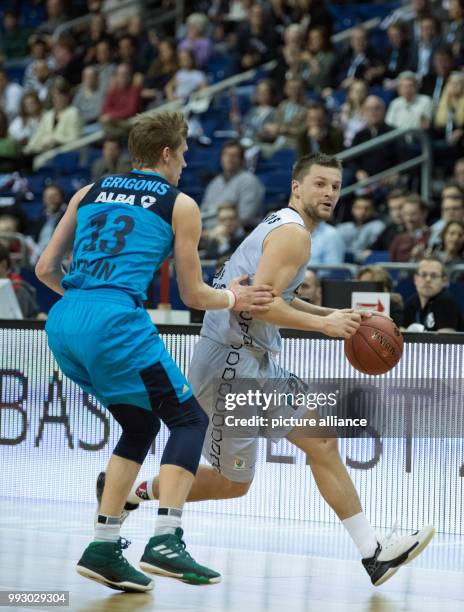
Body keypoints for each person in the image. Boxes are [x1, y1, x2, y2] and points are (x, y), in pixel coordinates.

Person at [107, 152, 435, 587]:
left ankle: (373, 553)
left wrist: (328, 313)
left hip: (254, 361)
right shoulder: (293, 236)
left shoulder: (283, 225)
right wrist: (323, 324)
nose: (329, 193)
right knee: (232, 484)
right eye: (320, 184)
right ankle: (136, 493)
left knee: (322, 443)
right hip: (230, 363)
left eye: (335, 186)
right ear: (296, 187)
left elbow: (277, 294)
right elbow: (264, 305)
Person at [35, 111, 273, 592]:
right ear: (166, 154)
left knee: (140, 423)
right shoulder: (180, 204)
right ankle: (167, 538)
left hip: (64, 320)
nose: (186, 163)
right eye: (183, 153)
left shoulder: (88, 192)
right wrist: (236, 297)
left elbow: (43, 268)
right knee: (188, 420)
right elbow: (193, 295)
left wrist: (84, 303)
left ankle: (103, 546)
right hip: (114, 320)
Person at [201, 139, 265, 230]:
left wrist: (218, 229)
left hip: (240, 234)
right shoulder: (214, 183)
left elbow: (246, 216)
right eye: (225, 154)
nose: (228, 158)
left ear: (242, 160)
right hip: (211, 233)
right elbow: (203, 213)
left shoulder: (250, 181)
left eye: (234, 155)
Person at [403, 256, 463, 331]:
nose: (428, 279)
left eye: (434, 276)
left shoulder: (446, 302)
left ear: (444, 281)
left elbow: (445, 339)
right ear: (415, 279)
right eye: (423, 275)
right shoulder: (411, 303)